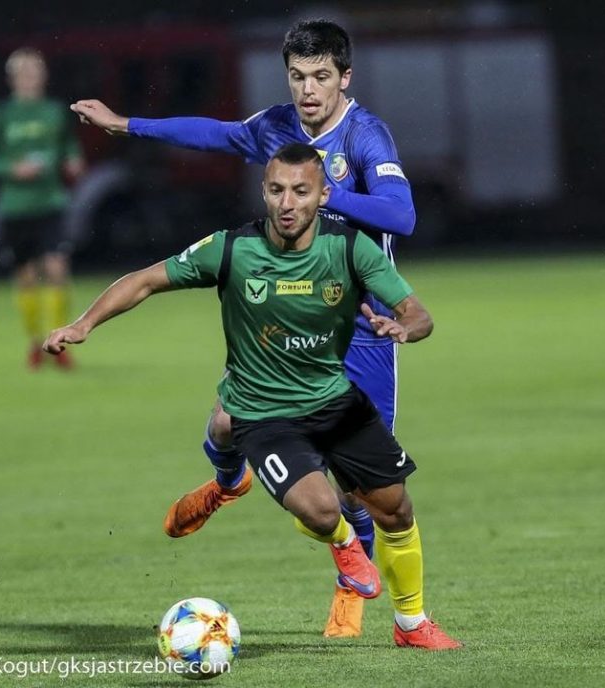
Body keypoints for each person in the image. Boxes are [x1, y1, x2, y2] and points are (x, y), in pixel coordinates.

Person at [43, 144, 460, 650]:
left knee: (396, 511)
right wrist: (84, 323)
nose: (287, 203)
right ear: (263, 191)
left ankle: (411, 625)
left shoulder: (350, 248)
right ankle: (343, 542)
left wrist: (405, 327)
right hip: (264, 414)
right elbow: (146, 280)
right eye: (277, 190)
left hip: (335, 402)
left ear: (323, 195)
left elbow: (418, 312)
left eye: (301, 191)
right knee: (322, 511)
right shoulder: (232, 249)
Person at [70, 20, 413, 635]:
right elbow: (216, 133)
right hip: (284, 313)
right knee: (228, 421)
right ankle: (228, 482)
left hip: (362, 324)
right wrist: (128, 124)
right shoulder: (277, 125)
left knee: (360, 487)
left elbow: (401, 215)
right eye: (298, 77)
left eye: (321, 77)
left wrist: (327, 195)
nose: (308, 90)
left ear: (345, 78)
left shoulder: (365, 136)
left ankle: (351, 586)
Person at [0, 47, 85, 369]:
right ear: (11, 78)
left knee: (57, 268)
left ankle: (59, 344)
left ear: (43, 75)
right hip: (15, 207)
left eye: (34, 71)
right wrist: (12, 169)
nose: (29, 78)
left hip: (50, 202)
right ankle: (35, 342)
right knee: (26, 277)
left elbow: (69, 146)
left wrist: (74, 160)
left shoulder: (54, 111)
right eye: (22, 73)